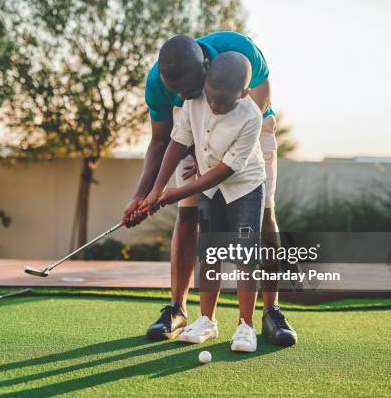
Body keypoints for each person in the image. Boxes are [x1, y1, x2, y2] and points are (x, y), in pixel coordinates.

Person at [122, 31, 297, 347]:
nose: (186, 96)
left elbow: (261, 99)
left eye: (191, 90)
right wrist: (143, 194)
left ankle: (270, 311)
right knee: (189, 214)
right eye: (180, 93)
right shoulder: (164, 85)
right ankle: (180, 309)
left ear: (206, 65)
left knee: (263, 218)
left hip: (250, 130)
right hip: (195, 132)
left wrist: (217, 159)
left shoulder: (239, 51)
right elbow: (163, 140)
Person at [140, 52, 266, 351]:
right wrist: (158, 189)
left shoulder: (251, 117)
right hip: (210, 185)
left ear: (244, 93)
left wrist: (175, 194)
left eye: (224, 103)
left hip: (243, 186)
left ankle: (245, 326)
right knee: (210, 252)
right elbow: (178, 141)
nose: (215, 107)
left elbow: (225, 171)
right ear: (205, 83)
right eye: (211, 99)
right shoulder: (195, 99)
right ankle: (206, 320)